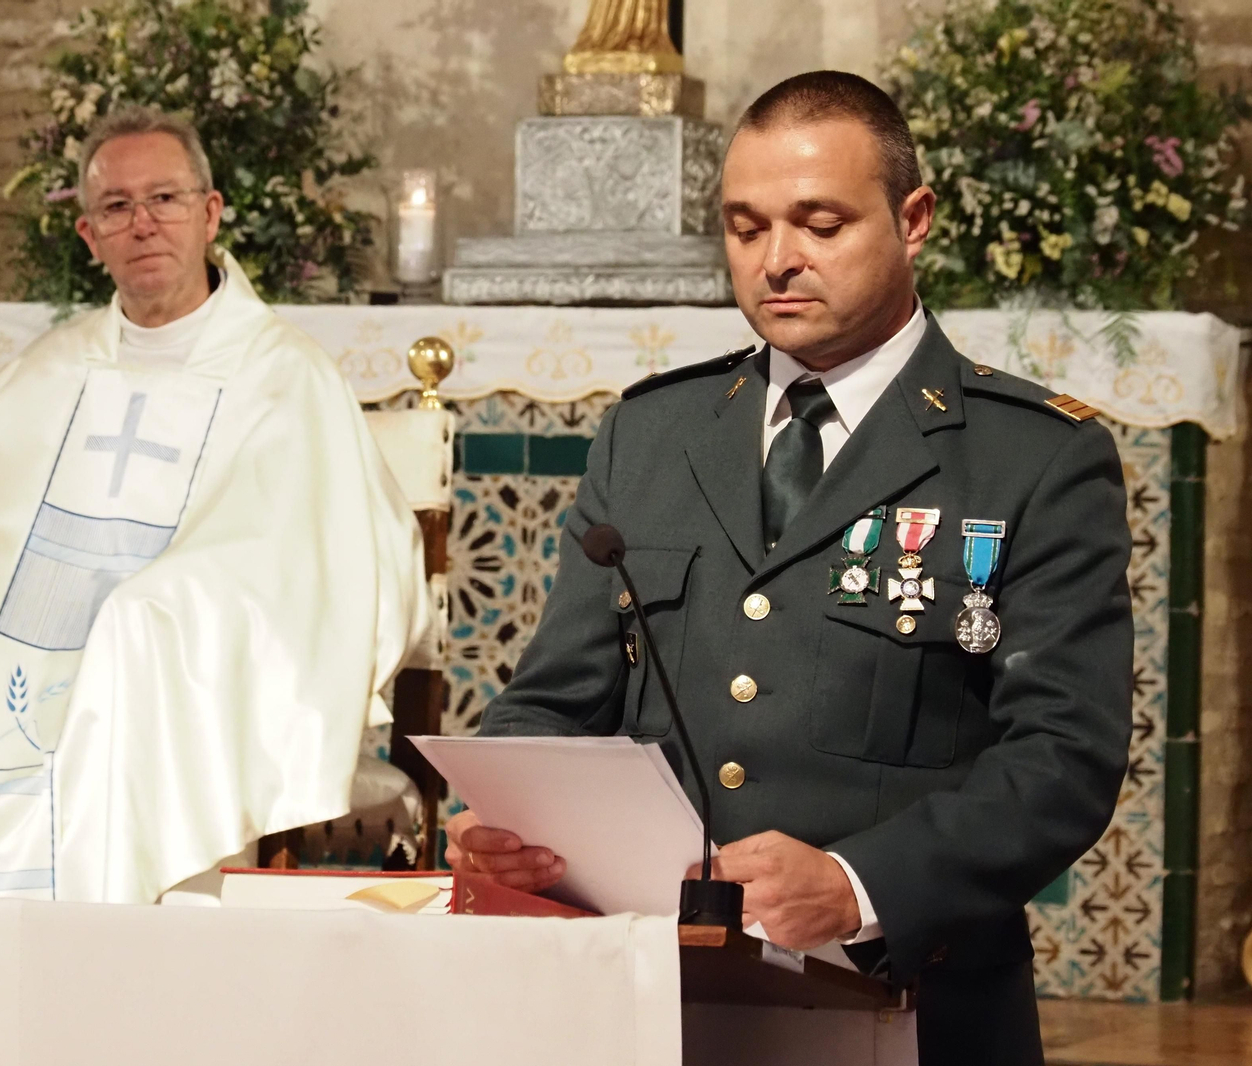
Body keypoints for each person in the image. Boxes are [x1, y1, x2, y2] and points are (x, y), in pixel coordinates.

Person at [447, 71, 1132, 1065]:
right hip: (651, 999)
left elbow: (1063, 758)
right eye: (744, 226)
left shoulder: (1034, 456)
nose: (776, 260)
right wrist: (508, 815)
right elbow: (554, 701)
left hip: (906, 1001)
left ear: (914, 220)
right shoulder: (651, 433)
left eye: (818, 223)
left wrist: (858, 885)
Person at [0, 106, 428, 1066]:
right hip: (7, 681)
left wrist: (151, 615)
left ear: (211, 214)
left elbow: (310, 560)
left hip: (169, 683)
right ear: (88, 235)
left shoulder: (282, 375)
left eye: (163, 199)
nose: (142, 222)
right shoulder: (58, 366)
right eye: (115, 206)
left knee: (115, 699)